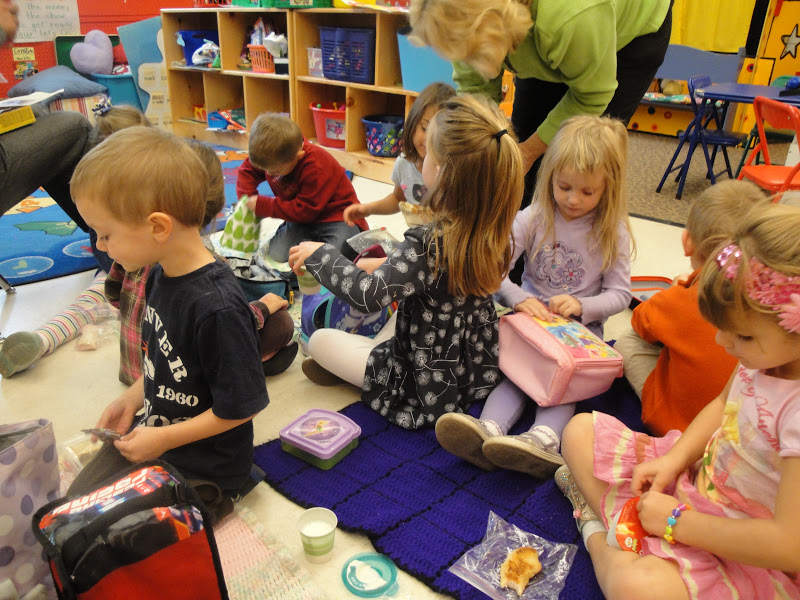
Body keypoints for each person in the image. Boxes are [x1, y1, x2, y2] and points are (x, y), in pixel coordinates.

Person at [556, 202, 800, 599]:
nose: (723, 343)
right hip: (698, 485)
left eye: (743, 337)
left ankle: (596, 532)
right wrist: (674, 459)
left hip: (745, 546)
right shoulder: (764, 358)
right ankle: (634, 535)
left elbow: (789, 544)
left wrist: (676, 524)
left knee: (638, 588)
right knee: (579, 429)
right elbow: (723, 406)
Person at [66, 127, 270, 523]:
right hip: (159, 435)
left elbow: (241, 408)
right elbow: (163, 358)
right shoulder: (159, 274)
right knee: (78, 503)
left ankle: (217, 497)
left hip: (206, 465)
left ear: (158, 227)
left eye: (105, 234)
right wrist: (131, 400)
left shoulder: (218, 308)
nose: (100, 246)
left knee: (120, 531)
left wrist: (161, 440)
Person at [287, 94, 524, 429]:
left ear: (440, 171)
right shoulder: (494, 228)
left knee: (320, 341)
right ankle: (357, 361)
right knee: (394, 314)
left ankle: (359, 367)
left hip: (423, 380)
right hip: (470, 368)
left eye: (426, 154)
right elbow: (428, 283)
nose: (419, 160)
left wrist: (319, 256)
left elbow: (368, 294)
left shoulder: (427, 242)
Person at [436, 115, 632, 477]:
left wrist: (584, 306)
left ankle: (541, 441)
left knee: (564, 387)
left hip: (579, 338)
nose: (573, 199)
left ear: (609, 188)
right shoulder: (533, 217)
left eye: (588, 192)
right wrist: (516, 298)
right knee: (516, 378)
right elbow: (494, 274)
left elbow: (621, 294)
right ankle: (488, 431)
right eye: (564, 186)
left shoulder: (613, 232)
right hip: (531, 326)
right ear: (550, 176)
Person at [408, 0, 672, 206]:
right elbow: (475, 87)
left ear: (490, 26)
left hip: (628, 38)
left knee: (579, 167)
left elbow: (591, 95)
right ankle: (517, 264)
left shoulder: (570, 19)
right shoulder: (462, 16)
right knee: (523, 163)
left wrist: (529, 151)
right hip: (552, 34)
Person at [614, 180, 768, 436]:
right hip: (739, 436)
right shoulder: (772, 302)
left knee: (628, 342)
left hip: (674, 428)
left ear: (687, 242)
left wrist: (678, 290)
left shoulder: (682, 297)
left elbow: (640, 321)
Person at [236, 112, 369, 262]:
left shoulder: (316, 166)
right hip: (300, 218)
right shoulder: (271, 155)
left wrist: (265, 206)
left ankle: (318, 245)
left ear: (298, 156)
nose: (268, 174)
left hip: (337, 217)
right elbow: (247, 171)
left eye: (276, 171)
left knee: (337, 257)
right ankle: (309, 242)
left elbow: (306, 210)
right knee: (277, 255)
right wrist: (246, 199)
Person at [343, 83, 455, 229]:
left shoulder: (452, 169)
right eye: (425, 128)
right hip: (417, 240)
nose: (429, 140)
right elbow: (398, 198)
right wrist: (370, 209)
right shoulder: (405, 162)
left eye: (438, 135)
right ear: (413, 123)